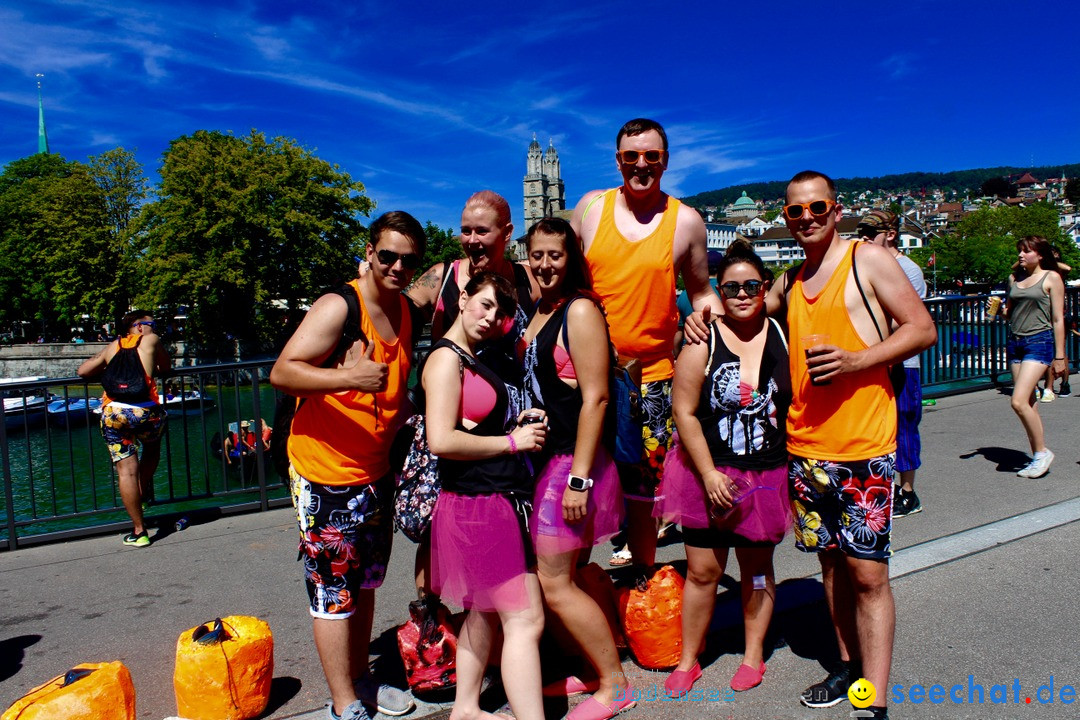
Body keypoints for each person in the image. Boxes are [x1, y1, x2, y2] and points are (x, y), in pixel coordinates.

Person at [766, 171, 936, 720]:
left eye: (818, 208)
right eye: (796, 211)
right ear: (785, 217)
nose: (807, 218)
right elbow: (743, 308)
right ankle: (847, 667)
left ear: (836, 210)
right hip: (806, 445)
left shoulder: (869, 260)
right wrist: (704, 319)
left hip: (863, 443)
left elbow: (922, 328)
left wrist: (857, 359)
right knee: (832, 563)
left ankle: (875, 702)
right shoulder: (792, 278)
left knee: (868, 573)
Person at [270, 211, 426, 720]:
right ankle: (344, 705)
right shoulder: (340, 304)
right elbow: (283, 372)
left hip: (374, 474)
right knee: (332, 592)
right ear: (369, 253)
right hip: (324, 472)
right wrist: (349, 379)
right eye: (387, 256)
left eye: (408, 259)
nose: (397, 266)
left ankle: (361, 680)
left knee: (364, 583)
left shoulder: (404, 309)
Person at [570, 118, 721, 569]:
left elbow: (700, 291)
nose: (641, 165)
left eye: (651, 157)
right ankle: (573, 591)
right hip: (587, 379)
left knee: (644, 496)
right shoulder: (590, 208)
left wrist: (707, 316)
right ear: (617, 160)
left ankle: (643, 587)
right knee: (577, 484)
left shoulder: (686, 222)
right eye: (631, 156)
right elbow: (561, 279)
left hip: (653, 382)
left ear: (666, 162)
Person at [657, 241, 791, 696]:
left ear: (765, 287)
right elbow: (684, 411)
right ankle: (689, 659)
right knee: (702, 573)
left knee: (756, 569)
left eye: (750, 285)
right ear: (718, 290)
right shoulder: (704, 336)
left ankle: (754, 655)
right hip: (705, 474)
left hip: (764, 475)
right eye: (729, 286)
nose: (740, 293)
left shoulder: (784, 333)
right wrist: (711, 473)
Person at [519, 218, 634, 717]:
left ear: (572, 260)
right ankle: (591, 669)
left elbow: (597, 398)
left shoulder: (580, 310)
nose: (546, 265)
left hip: (571, 464)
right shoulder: (540, 310)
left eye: (556, 256)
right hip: (547, 459)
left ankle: (614, 684)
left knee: (554, 581)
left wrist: (579, 479)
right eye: (538, 255)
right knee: (571, 571)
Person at [424, 272, 549, 720]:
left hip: (486, 501)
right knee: (525, 619)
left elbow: (477, 422)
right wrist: (511, 443)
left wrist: (517, 421)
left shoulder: (471, 357)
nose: (490, 316)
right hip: (481, 504)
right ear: (463, 298)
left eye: (499, 310)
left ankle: (466, 709)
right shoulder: (446, 360)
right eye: (484, 304)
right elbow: (441, 439)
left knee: (485, 612)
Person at [406, 190, 540, 596]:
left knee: (514, 531)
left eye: (482, 230)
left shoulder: (526, 279)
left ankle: (493, 625)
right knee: (436, 532)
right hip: (459, 426)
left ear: (507, 232)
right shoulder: (444, 276)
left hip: (513, 421)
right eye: (465, 230)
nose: (472, 239)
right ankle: (431, 627)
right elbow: (394, 311)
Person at [78, 311, 171, 548]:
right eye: (152, 323)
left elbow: (83, 371)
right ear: (139, 327)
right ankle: (143, 490)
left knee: (126, 471)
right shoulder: (152, 340)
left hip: (115, 413)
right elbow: (165, 366)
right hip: (146, 412)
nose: (154, 327)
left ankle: (140, 532)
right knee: (152, 449)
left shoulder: (113, 346)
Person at [857, 211, 926, 518]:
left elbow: (907, 322)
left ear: (891, 234)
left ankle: (908, 492)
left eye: (871, 233)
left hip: (902, 362)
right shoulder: (862, 265)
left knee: (905, 424)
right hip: (873, 362)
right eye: (862, 232)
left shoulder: (908, 270)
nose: (864, 238)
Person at [998, 236, 1066, 479]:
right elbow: (1010, 313)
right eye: (1020, 251)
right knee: (1027, 402)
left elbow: (1058, 319)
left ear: (1039, 254)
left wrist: (1059, 356)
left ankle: (1042, 453)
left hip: (1039, 341)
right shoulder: (1014, 279)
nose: (1021, 255)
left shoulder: (1051, 278)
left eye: (1026, 251)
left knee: (1017, 402)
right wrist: (999, 312)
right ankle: (1038, 453)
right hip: (1015, 342)